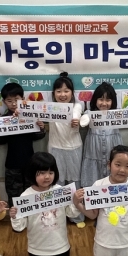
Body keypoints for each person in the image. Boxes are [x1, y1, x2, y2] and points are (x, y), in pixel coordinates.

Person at [10, 152, 80, 256]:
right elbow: (19, 227)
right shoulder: (25, 196)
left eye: (51, 173)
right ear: (32, 173)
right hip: (37, 247)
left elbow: (72, 214)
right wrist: (14, 216)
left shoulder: (60, 191)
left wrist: (76, 202)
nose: (47, 177)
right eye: (42, 173)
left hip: (60, 245)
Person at [0, 83, 45, 206]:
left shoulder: (30, 117)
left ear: (22, 99)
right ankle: (16, 216)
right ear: (4, 102)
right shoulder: (3, 120)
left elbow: (37, 136)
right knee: (14, 196)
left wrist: (41, 128)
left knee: (32, 194)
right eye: (9, 100)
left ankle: (32, 215)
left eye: (16, 100)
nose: (13, 103)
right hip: (12, 165)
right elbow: (0, 140)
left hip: (30, 163)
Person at [48, 72, 85, 227]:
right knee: (57, 182)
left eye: (66, 91)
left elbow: (76, 113)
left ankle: (76, 216)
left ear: (72, 92)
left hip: (74, 148)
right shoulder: (49, 107)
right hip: (55, 148)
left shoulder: (77, 105)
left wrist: (76, 120)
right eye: (59, 91)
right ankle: (58, 217)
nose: (62, 94)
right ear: (54, 93)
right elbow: (33, 115)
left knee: (74, 182)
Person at [80, 82, 123, 187]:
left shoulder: (117, 114)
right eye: (101, 99)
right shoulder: (90, 113)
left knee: (112, 181)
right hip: (94, 153)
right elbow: (84, 121)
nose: (104, 103)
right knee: (93, 182)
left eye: (108, 100)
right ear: (95, 100)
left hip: (112, 150)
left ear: (113, 101)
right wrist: (85, 118)